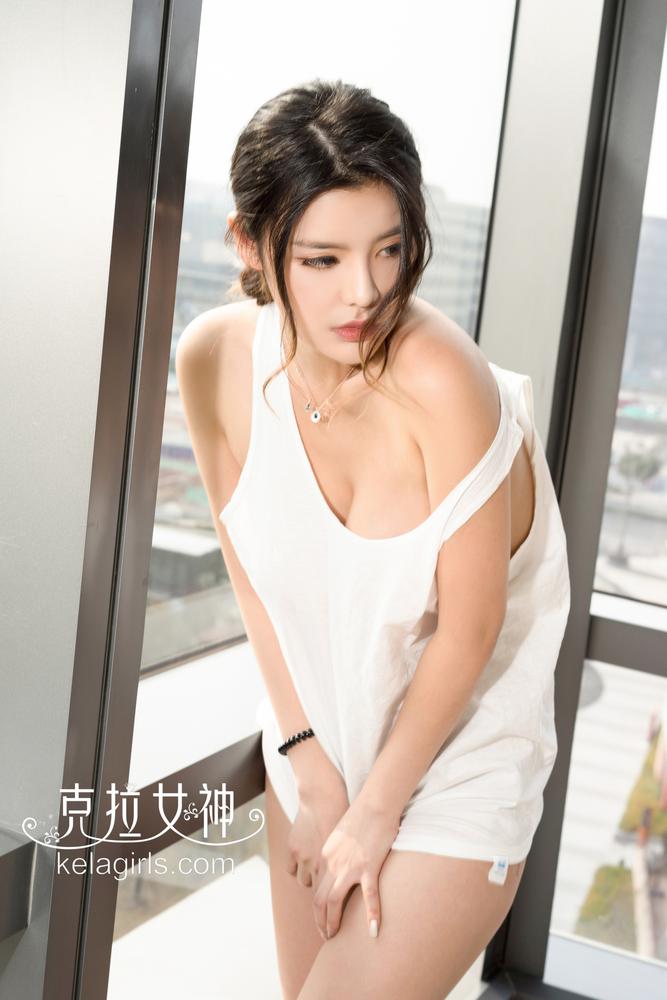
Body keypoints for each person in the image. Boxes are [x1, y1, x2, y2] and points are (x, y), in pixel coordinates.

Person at [176, 79, 571, 1000]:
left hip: (456, 766)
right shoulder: (215, 359)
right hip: (320, 748)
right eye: (321, 259)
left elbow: (470, 629)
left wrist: (373, 813)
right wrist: (309, 763)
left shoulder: (444, 380)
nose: (364, 292)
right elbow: (247, 570)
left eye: (388, 250)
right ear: (249, 244)